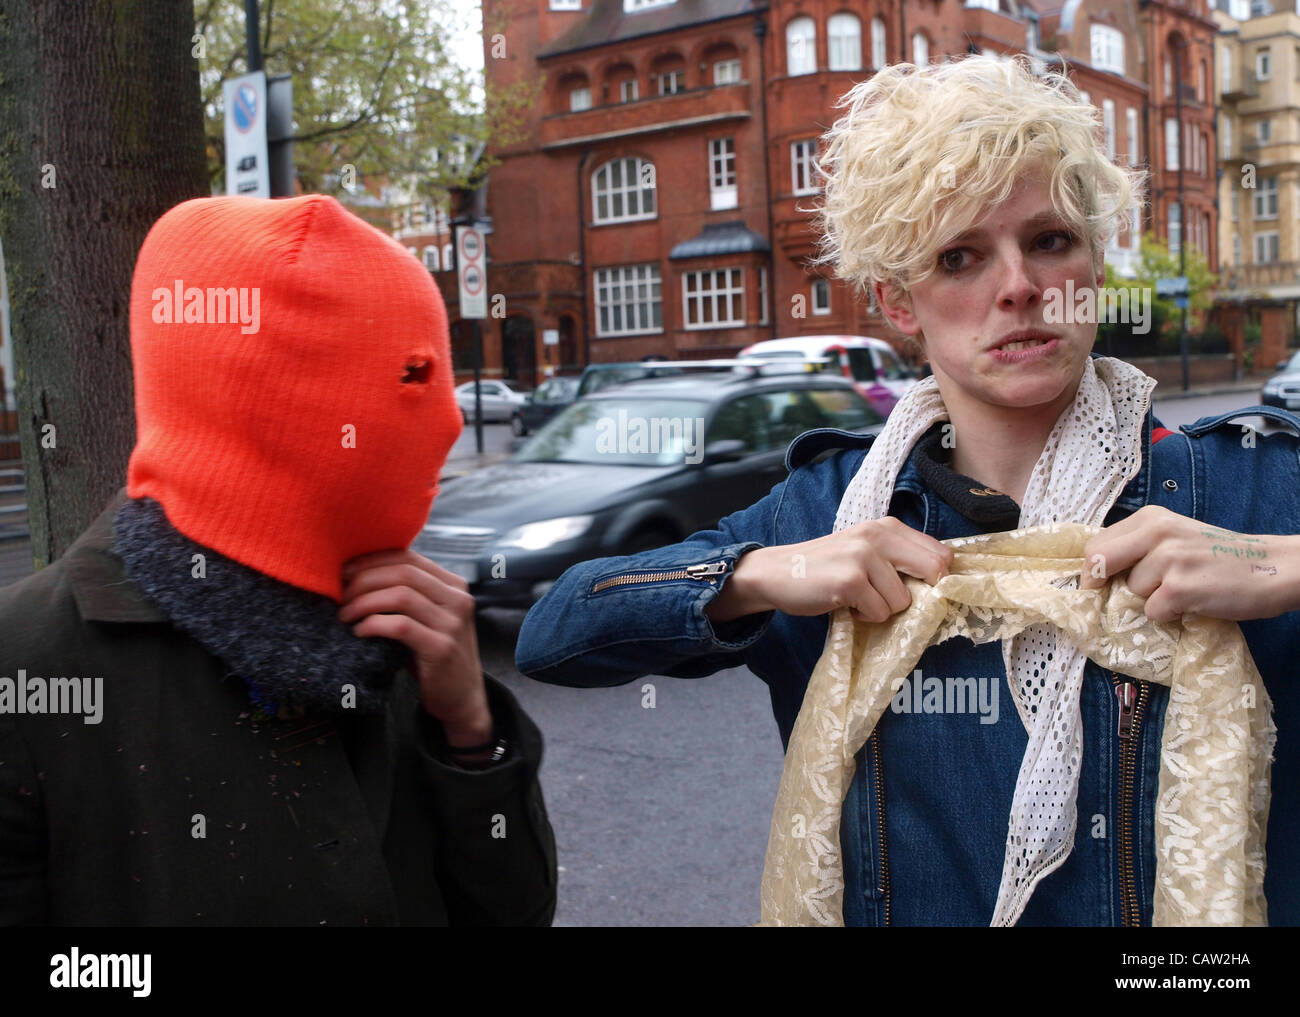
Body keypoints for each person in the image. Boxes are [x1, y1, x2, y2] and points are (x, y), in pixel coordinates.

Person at [515, 54, 1300, 926]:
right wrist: (763, 574)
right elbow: (556, 634)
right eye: (959, 256)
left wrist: (1285, 564)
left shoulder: (1245, 489)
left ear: (1095, 262)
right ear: (897, 302)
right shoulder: (831, 511)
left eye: (1050, 240)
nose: (1019, 287)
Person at [0, 194, 556, 926]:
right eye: (412, 375)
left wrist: (473, 735)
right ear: (257, 392)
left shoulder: (404, 625)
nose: (448, 422)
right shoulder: (28, 664)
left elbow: (512, 914)